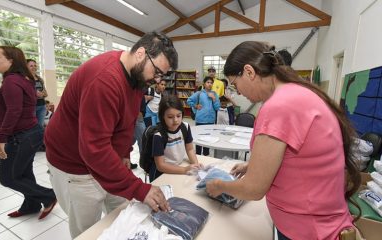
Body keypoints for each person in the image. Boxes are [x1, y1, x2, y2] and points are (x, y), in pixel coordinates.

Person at [206, 41, 360, 240]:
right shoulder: (298, 92)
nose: (239, 92)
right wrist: (252, 165)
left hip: (308, 230)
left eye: (235, 84)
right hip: (321, 223)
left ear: (249, 72)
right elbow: (301, 157)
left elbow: (253, 189)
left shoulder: (279, 106)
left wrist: (219, 186)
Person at [45, 32, 178, 238]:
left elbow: (127, 120)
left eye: (163, 76)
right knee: (88, 230)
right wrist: (139, 189)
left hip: (103, 157)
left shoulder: (136, 77)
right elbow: (94, 149)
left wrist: (124, 153)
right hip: (73, 164)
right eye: (157, 72)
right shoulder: (104, 79)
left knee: (123, 215)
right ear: (141, 53)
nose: (157, 80)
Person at [0, 46, 57, 220]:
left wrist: (1, 138)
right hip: (30, 133)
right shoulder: (21, 78)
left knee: (8, 178)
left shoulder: (12, 80)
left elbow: (15, 111)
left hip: (22, 136)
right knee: (24, 173)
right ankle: (31, 204)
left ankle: (49, 195)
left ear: (11, 61)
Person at [150, 95, 201, 181]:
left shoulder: (185, 127)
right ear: (163, 116)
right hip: (162, 173)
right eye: (170, 117)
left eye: (178, 116)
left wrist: (196, 165)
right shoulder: (158, 135)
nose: (176, 120)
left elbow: (190, 149)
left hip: (179, 167)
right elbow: (160, 165)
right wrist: (184, 170)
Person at [187, 76, 220, 156]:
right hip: (200, 119)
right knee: (199, 139)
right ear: (204, 84)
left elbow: (217, 107)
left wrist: (214, 99)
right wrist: (195, 106)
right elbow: (189, 100)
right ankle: (198, 155)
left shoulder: (214, 94)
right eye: (208, 82)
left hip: (211, 120)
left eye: (211, 83)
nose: (210, 84)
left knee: (208, 140)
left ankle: (206, 155)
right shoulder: (199, 93)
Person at [27, 59, 48, 127]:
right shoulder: (25, 79)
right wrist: (35, 94)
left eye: (35, 66)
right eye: (31, 66)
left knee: (40, 127)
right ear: (26, 67)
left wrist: (43, 94)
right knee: (31, 127)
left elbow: (46, 93)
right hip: (32, 106)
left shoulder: (40, 79)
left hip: (42, 105)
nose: (34, 67)